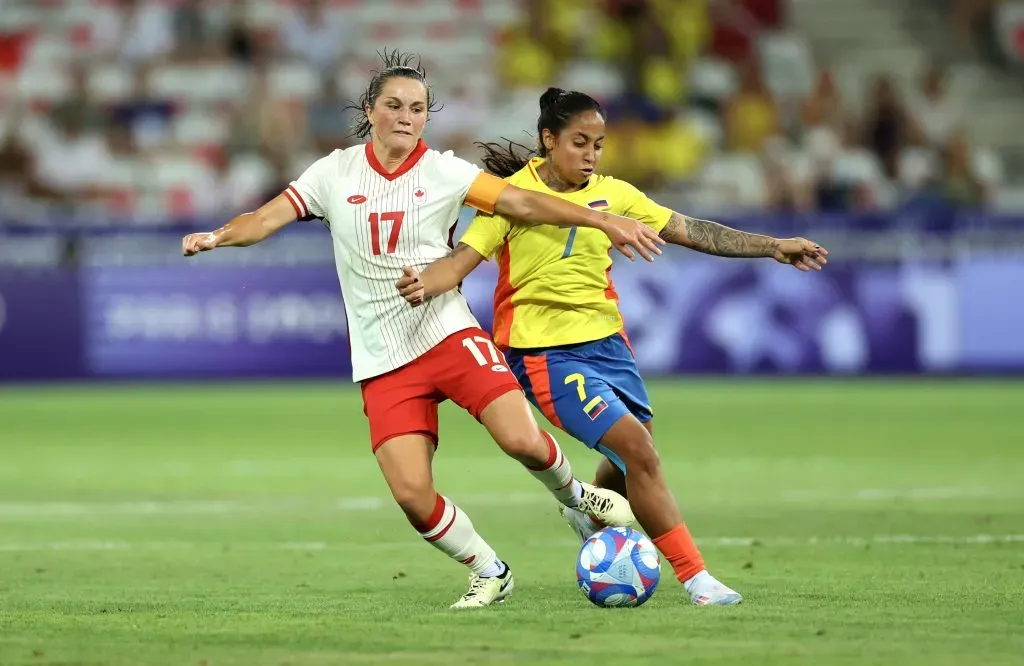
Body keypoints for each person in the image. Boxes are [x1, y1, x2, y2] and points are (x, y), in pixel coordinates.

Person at [180, 53, 665, 610]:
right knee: (411, 494)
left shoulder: (444, 172)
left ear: (426, 119)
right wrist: (219, 235)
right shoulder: (332, 173)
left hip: (447, 332)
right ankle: (489, 569)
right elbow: (263, 219)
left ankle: (577, 499)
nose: (406, 117)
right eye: (394, 105)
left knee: (521, 440)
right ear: (370, 111)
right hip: (383, 356)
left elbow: (524, 202)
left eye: (417, 108)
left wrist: (601, 217)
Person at [396, 88, 830, 606]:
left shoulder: (616, 195)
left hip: (609, 345)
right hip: (544, 354)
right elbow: (463, 258)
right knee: (639, 452)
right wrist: (427, 281)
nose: (590, 155)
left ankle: (589, 511)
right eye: (579, 142)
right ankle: (698, 579)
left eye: (598, 145)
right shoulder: (512, 197)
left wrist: (772, 246)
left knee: (629, 459)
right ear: (548, 139)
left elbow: (692, 230)